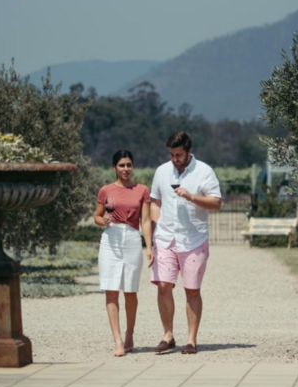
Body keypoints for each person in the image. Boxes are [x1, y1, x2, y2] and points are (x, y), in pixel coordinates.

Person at [150, 131, 222, 354]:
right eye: (171, 154)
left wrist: (192, 197)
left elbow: (217, 202)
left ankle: (191, 340)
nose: (175, 159)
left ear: (189, 151)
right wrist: (154, 230)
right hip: (165, 238)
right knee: (163, 286)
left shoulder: (204, 171)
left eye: (179, 154)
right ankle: (168, 335)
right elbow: (155, 202)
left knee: (191, 290)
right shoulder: (162, 171)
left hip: (193, 239)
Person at [95, 150, 153, 357]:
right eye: (122, 165)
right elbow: (97, 216)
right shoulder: (106, 190)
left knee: (130, 291)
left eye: (129, 165)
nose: (126, 169)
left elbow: (145, 221)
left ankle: (130, 334)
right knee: (111, 290)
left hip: (131, 238)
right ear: (114, 168)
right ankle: (117, 340)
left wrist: (150, 248)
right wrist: (104, 221)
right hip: (110, 239)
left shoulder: (142, 190)